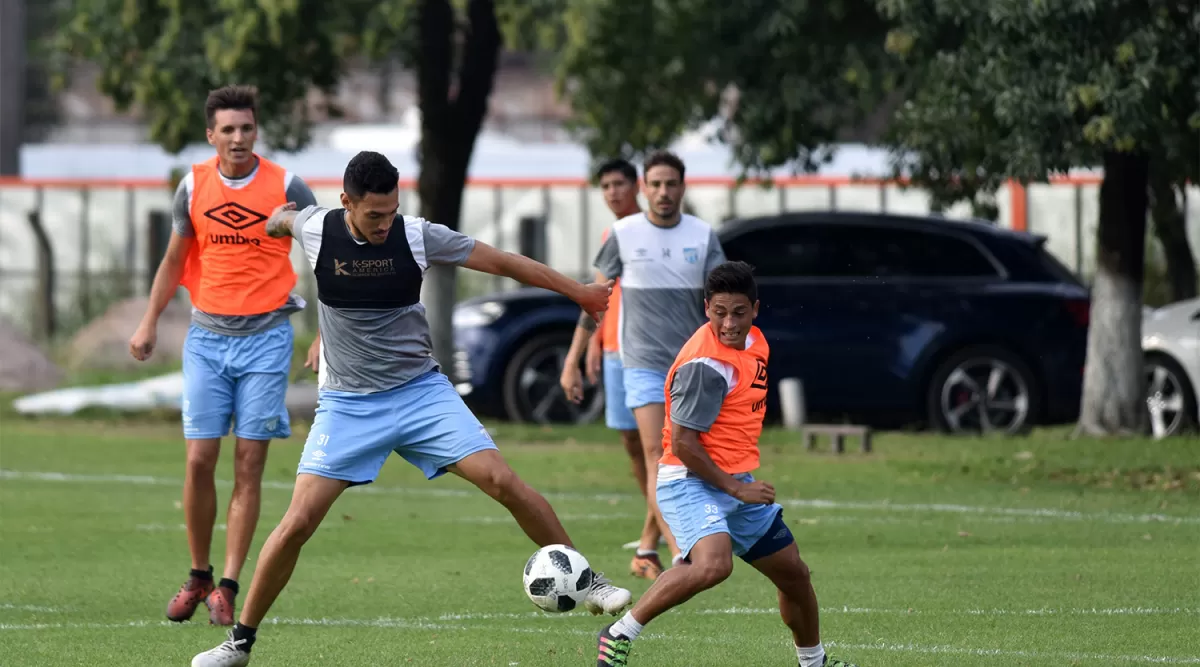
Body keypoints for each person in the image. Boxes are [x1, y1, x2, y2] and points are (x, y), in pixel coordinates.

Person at [191, 150, 633, 667]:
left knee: (503, 482)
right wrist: (276, 220)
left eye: (391, 211)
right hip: (348, 405)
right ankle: (239, 643)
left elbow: (502, 262)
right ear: (346, 204)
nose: (384, 223)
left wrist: (579, 292)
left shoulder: (416, 234)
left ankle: (589, 579)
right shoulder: (316, 228)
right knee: (296, 524)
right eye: (373, 214)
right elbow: (285, 219)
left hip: (421, 394)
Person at [594, 261, 859, 667]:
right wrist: (737, 488)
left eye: (738, 312)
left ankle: (814, 663)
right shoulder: (705, 366)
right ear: (706, 309)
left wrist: (738, 482)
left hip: (733, 479)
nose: (729, 324)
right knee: (714, 565)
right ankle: (619, 632)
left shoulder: (755, 343)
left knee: (794, 574)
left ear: (755, 309)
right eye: (720, 313)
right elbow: (683, 444)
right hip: (688, 480)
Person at [128, 84, 320, 627]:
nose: (238, 138)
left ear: (256, 130)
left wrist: (326, 331)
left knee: (249, 462)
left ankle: (228, 587)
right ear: (211, 135)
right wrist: (147, 322)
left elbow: (327, 255)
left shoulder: (287, 186)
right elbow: (173, 260)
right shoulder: (192, 186)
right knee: (198, 459)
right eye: (227, 130)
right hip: (207, 340)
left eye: (247, 128)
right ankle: (198, 574)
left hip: (267, 341)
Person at [581, 150, 726, 569]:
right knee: (653, 452)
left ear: (682, 187)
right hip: (640, 361)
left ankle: (650, 543)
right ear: (645, 188)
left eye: (671, 184)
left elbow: (721, 299)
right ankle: (680, 549)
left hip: (691, 365)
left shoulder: (702, 235)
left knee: (683, 453)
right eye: (656, 184)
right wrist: (577, 354)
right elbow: (594, 299)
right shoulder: (623, 233)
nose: (663, 192)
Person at [560, 158, 665, 580]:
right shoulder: (613, 235)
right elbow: (599, 298)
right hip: (615, 351)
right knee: (633, 446)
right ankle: (657, 525)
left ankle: (652, 543)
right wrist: (592, 347)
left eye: (619, 184)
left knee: (660, 451)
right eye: (605, 186)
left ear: (637, 186)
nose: (612, 192)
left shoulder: (655, 230)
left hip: (652, 355)